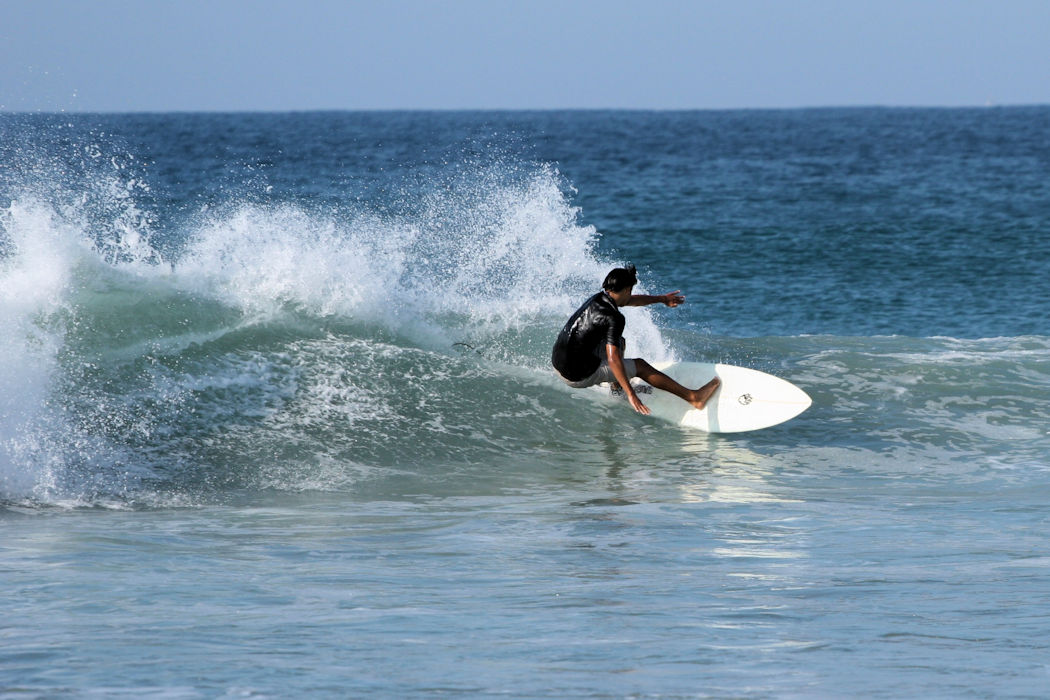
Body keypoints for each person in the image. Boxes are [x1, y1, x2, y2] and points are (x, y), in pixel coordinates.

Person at [551, 265, 720, 415]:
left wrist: (662, 299)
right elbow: (613, 358)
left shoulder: (599, 299)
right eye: (630, 290)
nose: (631, 294)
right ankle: (694, 397)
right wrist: (631, 393)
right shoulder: (614, 317)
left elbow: (630, 301)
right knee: (640, 366)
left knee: (619, 341)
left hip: (559, 362)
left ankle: (616, 387)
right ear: (625, 290)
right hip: (576, 375)